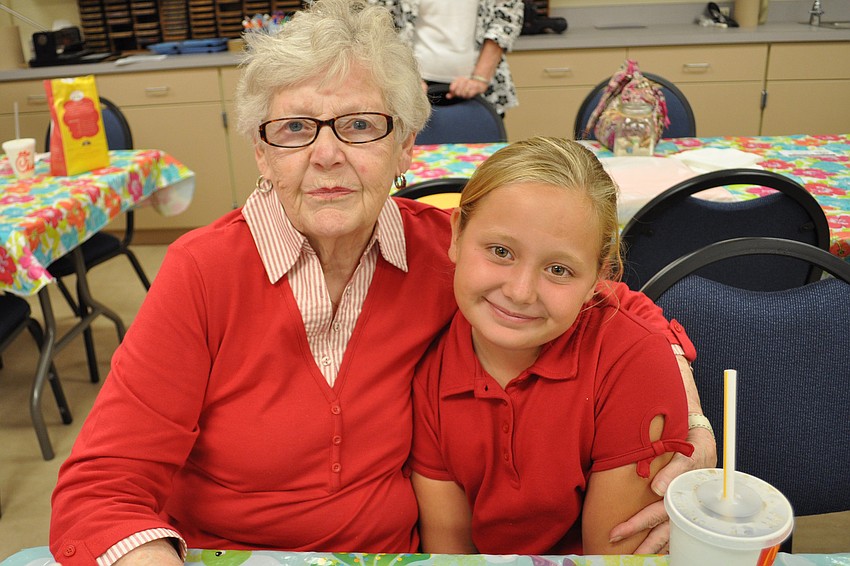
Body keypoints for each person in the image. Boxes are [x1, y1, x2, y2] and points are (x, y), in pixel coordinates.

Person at [49, 2, 714, 565]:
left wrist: (689, 417)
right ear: (261, 150)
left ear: (405, 146)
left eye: (361, 125)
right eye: (294, 128)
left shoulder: (442, 251)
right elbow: (101, 490)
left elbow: (607, 299)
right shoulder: (202, 272)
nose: (327, 154)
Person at [410, 137, 695, 556]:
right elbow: (449, 551)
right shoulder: (428, 362)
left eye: (559, 270)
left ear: (598, 277)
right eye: (501, 251)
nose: (520, 292)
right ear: (455, 234)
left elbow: (614, 556)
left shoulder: (633, 362)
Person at [369, 0, 523, 115]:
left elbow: (508, 16)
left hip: (481, 88)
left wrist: (480, 79)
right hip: (409, 87)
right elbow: (376, 18)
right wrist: (405, 76)